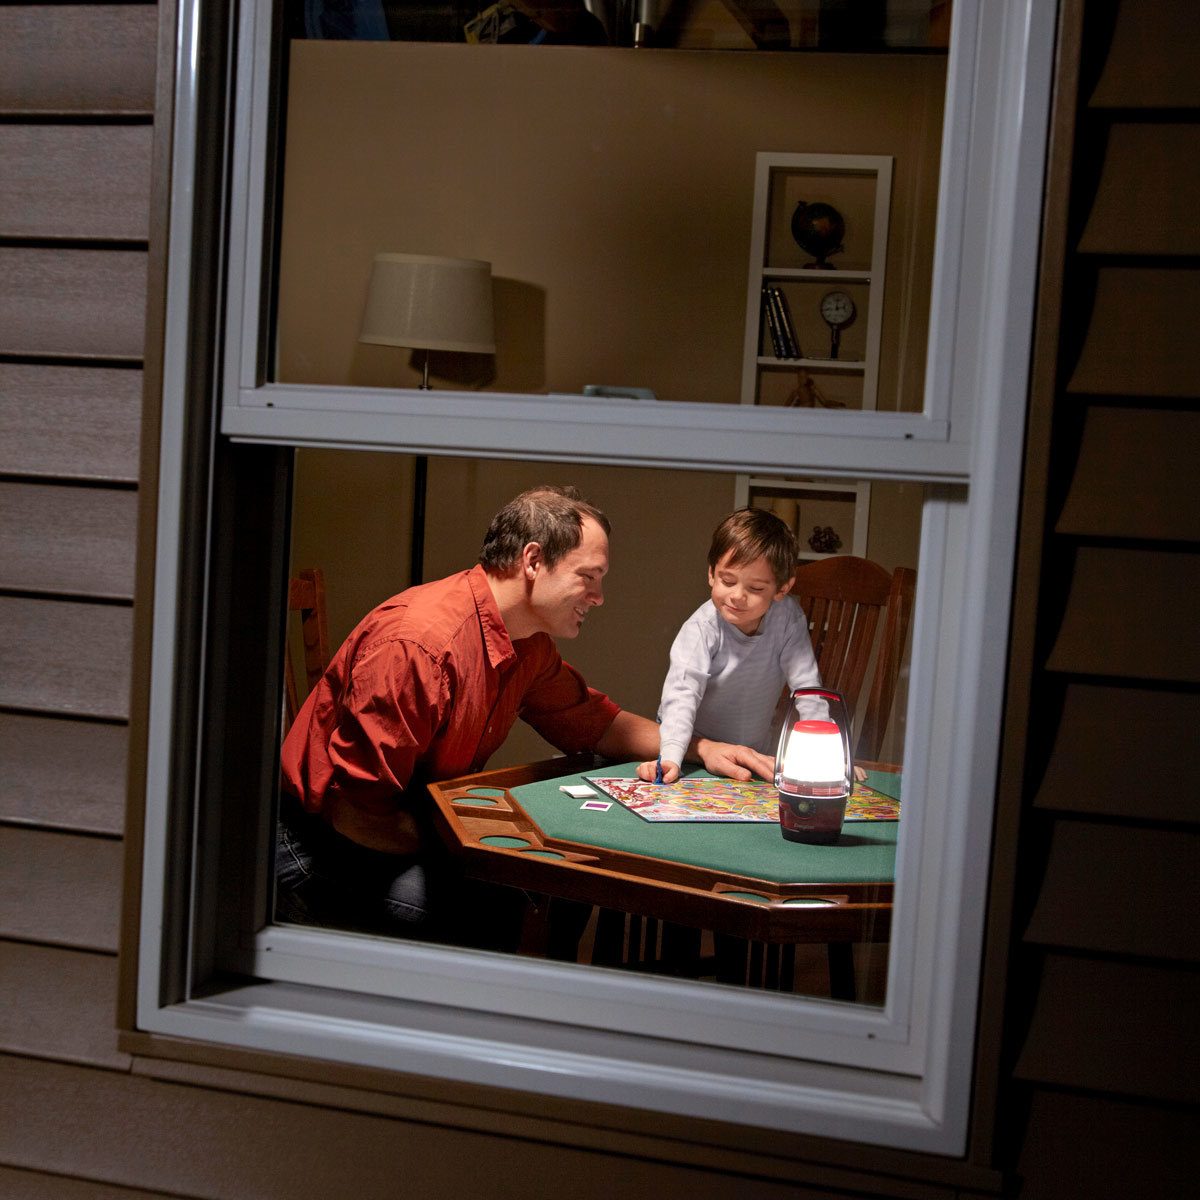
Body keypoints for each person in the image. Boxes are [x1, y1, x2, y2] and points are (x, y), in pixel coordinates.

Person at [277, 485, 772, 942]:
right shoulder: (420, 646)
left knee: (571, 887)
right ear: (533, 560)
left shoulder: (528, 644)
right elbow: (356, 815)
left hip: (397, 825)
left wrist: (699, 746)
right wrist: (476, 847)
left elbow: (598, 722)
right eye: (589, 577)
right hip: (319, 847)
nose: (599, 597)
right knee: (502, 908)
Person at [638, 507, 821, 785]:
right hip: (692, 754)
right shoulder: (701, 628)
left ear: (782, 589)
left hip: (752, 754)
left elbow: (807, 688)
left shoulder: (788, 620)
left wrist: (825, 757)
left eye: (756, 589)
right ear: (712, 574)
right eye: (728, 581)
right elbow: (682, 694)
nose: (738, 596)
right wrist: (671, 758)